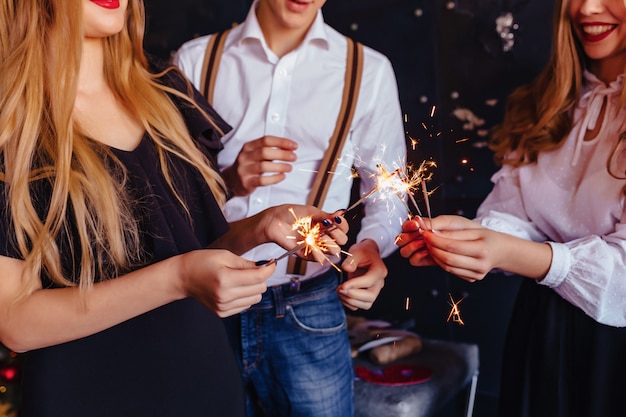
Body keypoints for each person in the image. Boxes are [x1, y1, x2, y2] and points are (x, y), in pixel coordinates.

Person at [0, 1, 349, 416]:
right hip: (91, 399)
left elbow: (196, 249)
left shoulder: (167, 92)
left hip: (206, 388)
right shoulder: (12, 126)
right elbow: (15, 323)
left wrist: (263, 226)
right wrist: (177, 278)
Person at [174, 0, 407, 415]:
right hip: (203, 305)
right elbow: (166, 193)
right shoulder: (195, 61)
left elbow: (389, 192)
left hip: (309, 310)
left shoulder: (367, 70)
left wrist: (370, 247)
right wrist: (227, 180)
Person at [396, 0, 626, 416]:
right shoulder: (546, 103)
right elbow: (516, 215)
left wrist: (506, 251)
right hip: (542, 331)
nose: (587, 8)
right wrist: (467, 240)